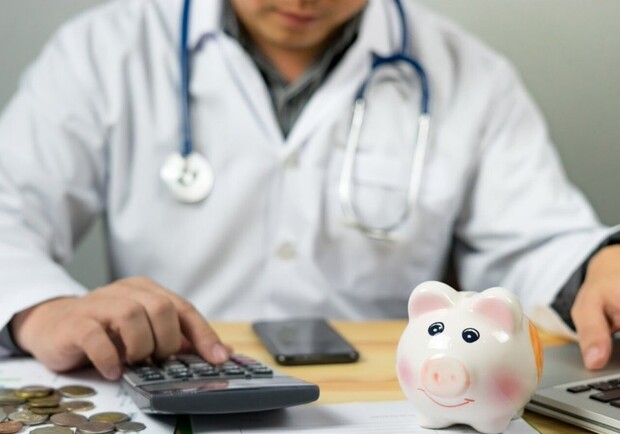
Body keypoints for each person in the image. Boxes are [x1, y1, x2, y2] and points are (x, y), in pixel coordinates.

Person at [0, 0, 618, 381]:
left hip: (392, 399)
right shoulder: (102, 51)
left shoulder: (473, 77)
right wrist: (40, 308)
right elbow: (8, 210)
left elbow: (536, 240)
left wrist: (596, 266)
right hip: (165, 384)